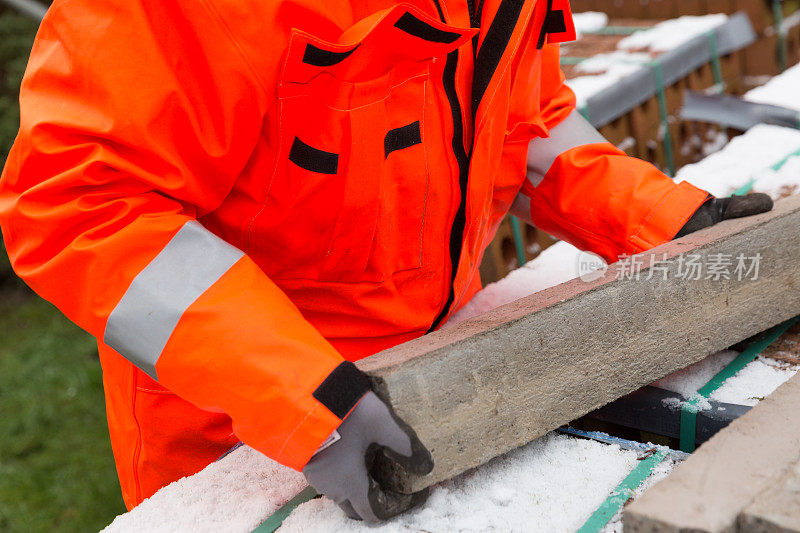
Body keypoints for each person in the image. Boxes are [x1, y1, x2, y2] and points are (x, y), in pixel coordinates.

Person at [0, 0, 771, 522]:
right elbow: (79, 202)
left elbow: (517, 124)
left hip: (441, 384)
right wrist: (303, 398)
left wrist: (668, 220)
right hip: (245, 442)